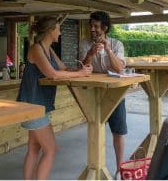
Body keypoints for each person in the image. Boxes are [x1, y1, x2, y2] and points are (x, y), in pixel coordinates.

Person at [17, 17, 93, 180]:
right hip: (33, 106)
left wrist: (82, 69)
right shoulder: (36, 49)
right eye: (58, 29)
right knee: (51, 150)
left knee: (33, 148)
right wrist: (80, 74)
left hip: (39, 105)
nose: (60, 32)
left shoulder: (48, 49)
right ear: (51, 30)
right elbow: (51, 73)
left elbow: (63, 68)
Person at [78, 11, 128, 171]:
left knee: (118, 132)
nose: (92, 29)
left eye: (96, 26)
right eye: (91, 25)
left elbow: (120, 68)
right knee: (95, 130)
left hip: (115, 94)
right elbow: (82, 68)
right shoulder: (85, 44)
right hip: (94, 94)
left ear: (105, 28)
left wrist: (108, 49)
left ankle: (120, 169)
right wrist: (90, 53)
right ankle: (96, 168)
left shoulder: (116, 44)